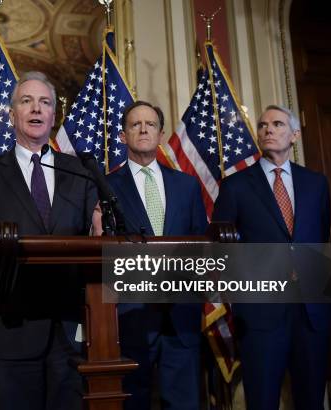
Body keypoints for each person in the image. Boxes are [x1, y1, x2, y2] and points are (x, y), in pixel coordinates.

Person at [0, 71, 97, 410]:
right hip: (12, 327)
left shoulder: (81, 172)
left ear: (53, 116)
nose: (36, 109)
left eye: (44, 102)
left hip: (70, 327)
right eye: (27, 101)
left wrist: (103, 231)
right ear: (13, 114)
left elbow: (97, 236)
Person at [212, 105, 331, 409]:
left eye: (277, 124)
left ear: (294, 135)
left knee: (311, 400)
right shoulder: (235, 185)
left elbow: (321, 241)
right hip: (261, 313)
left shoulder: (316, 184)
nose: (268, 130)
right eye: (263, 125)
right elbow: (220, 250)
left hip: (311, 314)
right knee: (262, 400)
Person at [104, 101, 207, 409]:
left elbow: (201, 244)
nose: (144, 129)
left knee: (183, 402)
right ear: (123, 136)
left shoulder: (187, 186)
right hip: (131, 316)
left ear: (161, 134)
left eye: (150, 124)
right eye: (136, 124)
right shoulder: (106, 186)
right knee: (133, 402)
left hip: (181, 317)